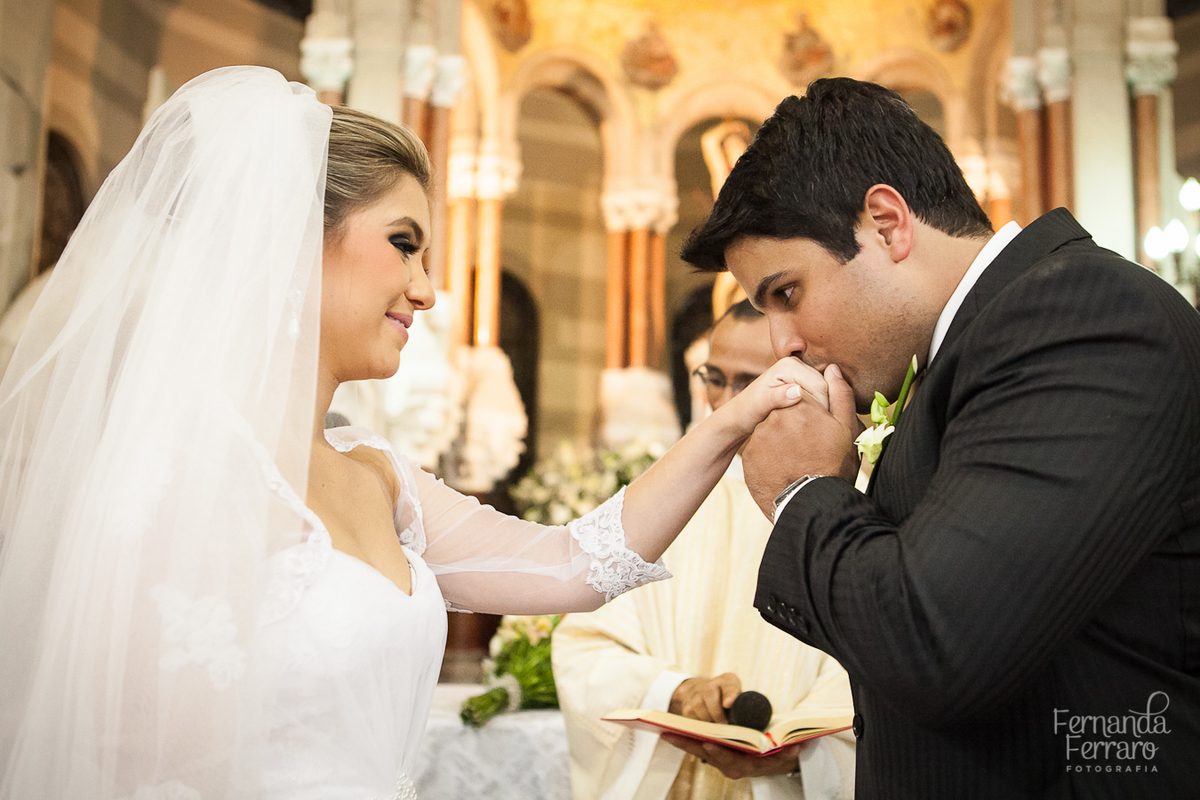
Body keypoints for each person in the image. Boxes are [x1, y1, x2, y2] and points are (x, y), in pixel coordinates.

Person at [0, 67, 818, 800]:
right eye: (403, 246)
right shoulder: (182, 468)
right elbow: (127, 758)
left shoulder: (375, 472)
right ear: (290, 242)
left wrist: (738, 415)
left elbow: (576, 564)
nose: (426, 290)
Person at [680, 77, 1200, 798]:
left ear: (888, 223)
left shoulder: (1082, 318)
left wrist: (802, 491)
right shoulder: (959, 354)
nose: (783, 342)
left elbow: (938, 647)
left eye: (787, 293)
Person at [553, 300, 855, 800]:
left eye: (749, 382)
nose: (724, 400)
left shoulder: (848, 499)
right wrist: (671, 690)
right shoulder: (660, 497)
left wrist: (804, 748)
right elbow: (585, 645)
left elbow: (874, 668)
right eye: (714, 377)